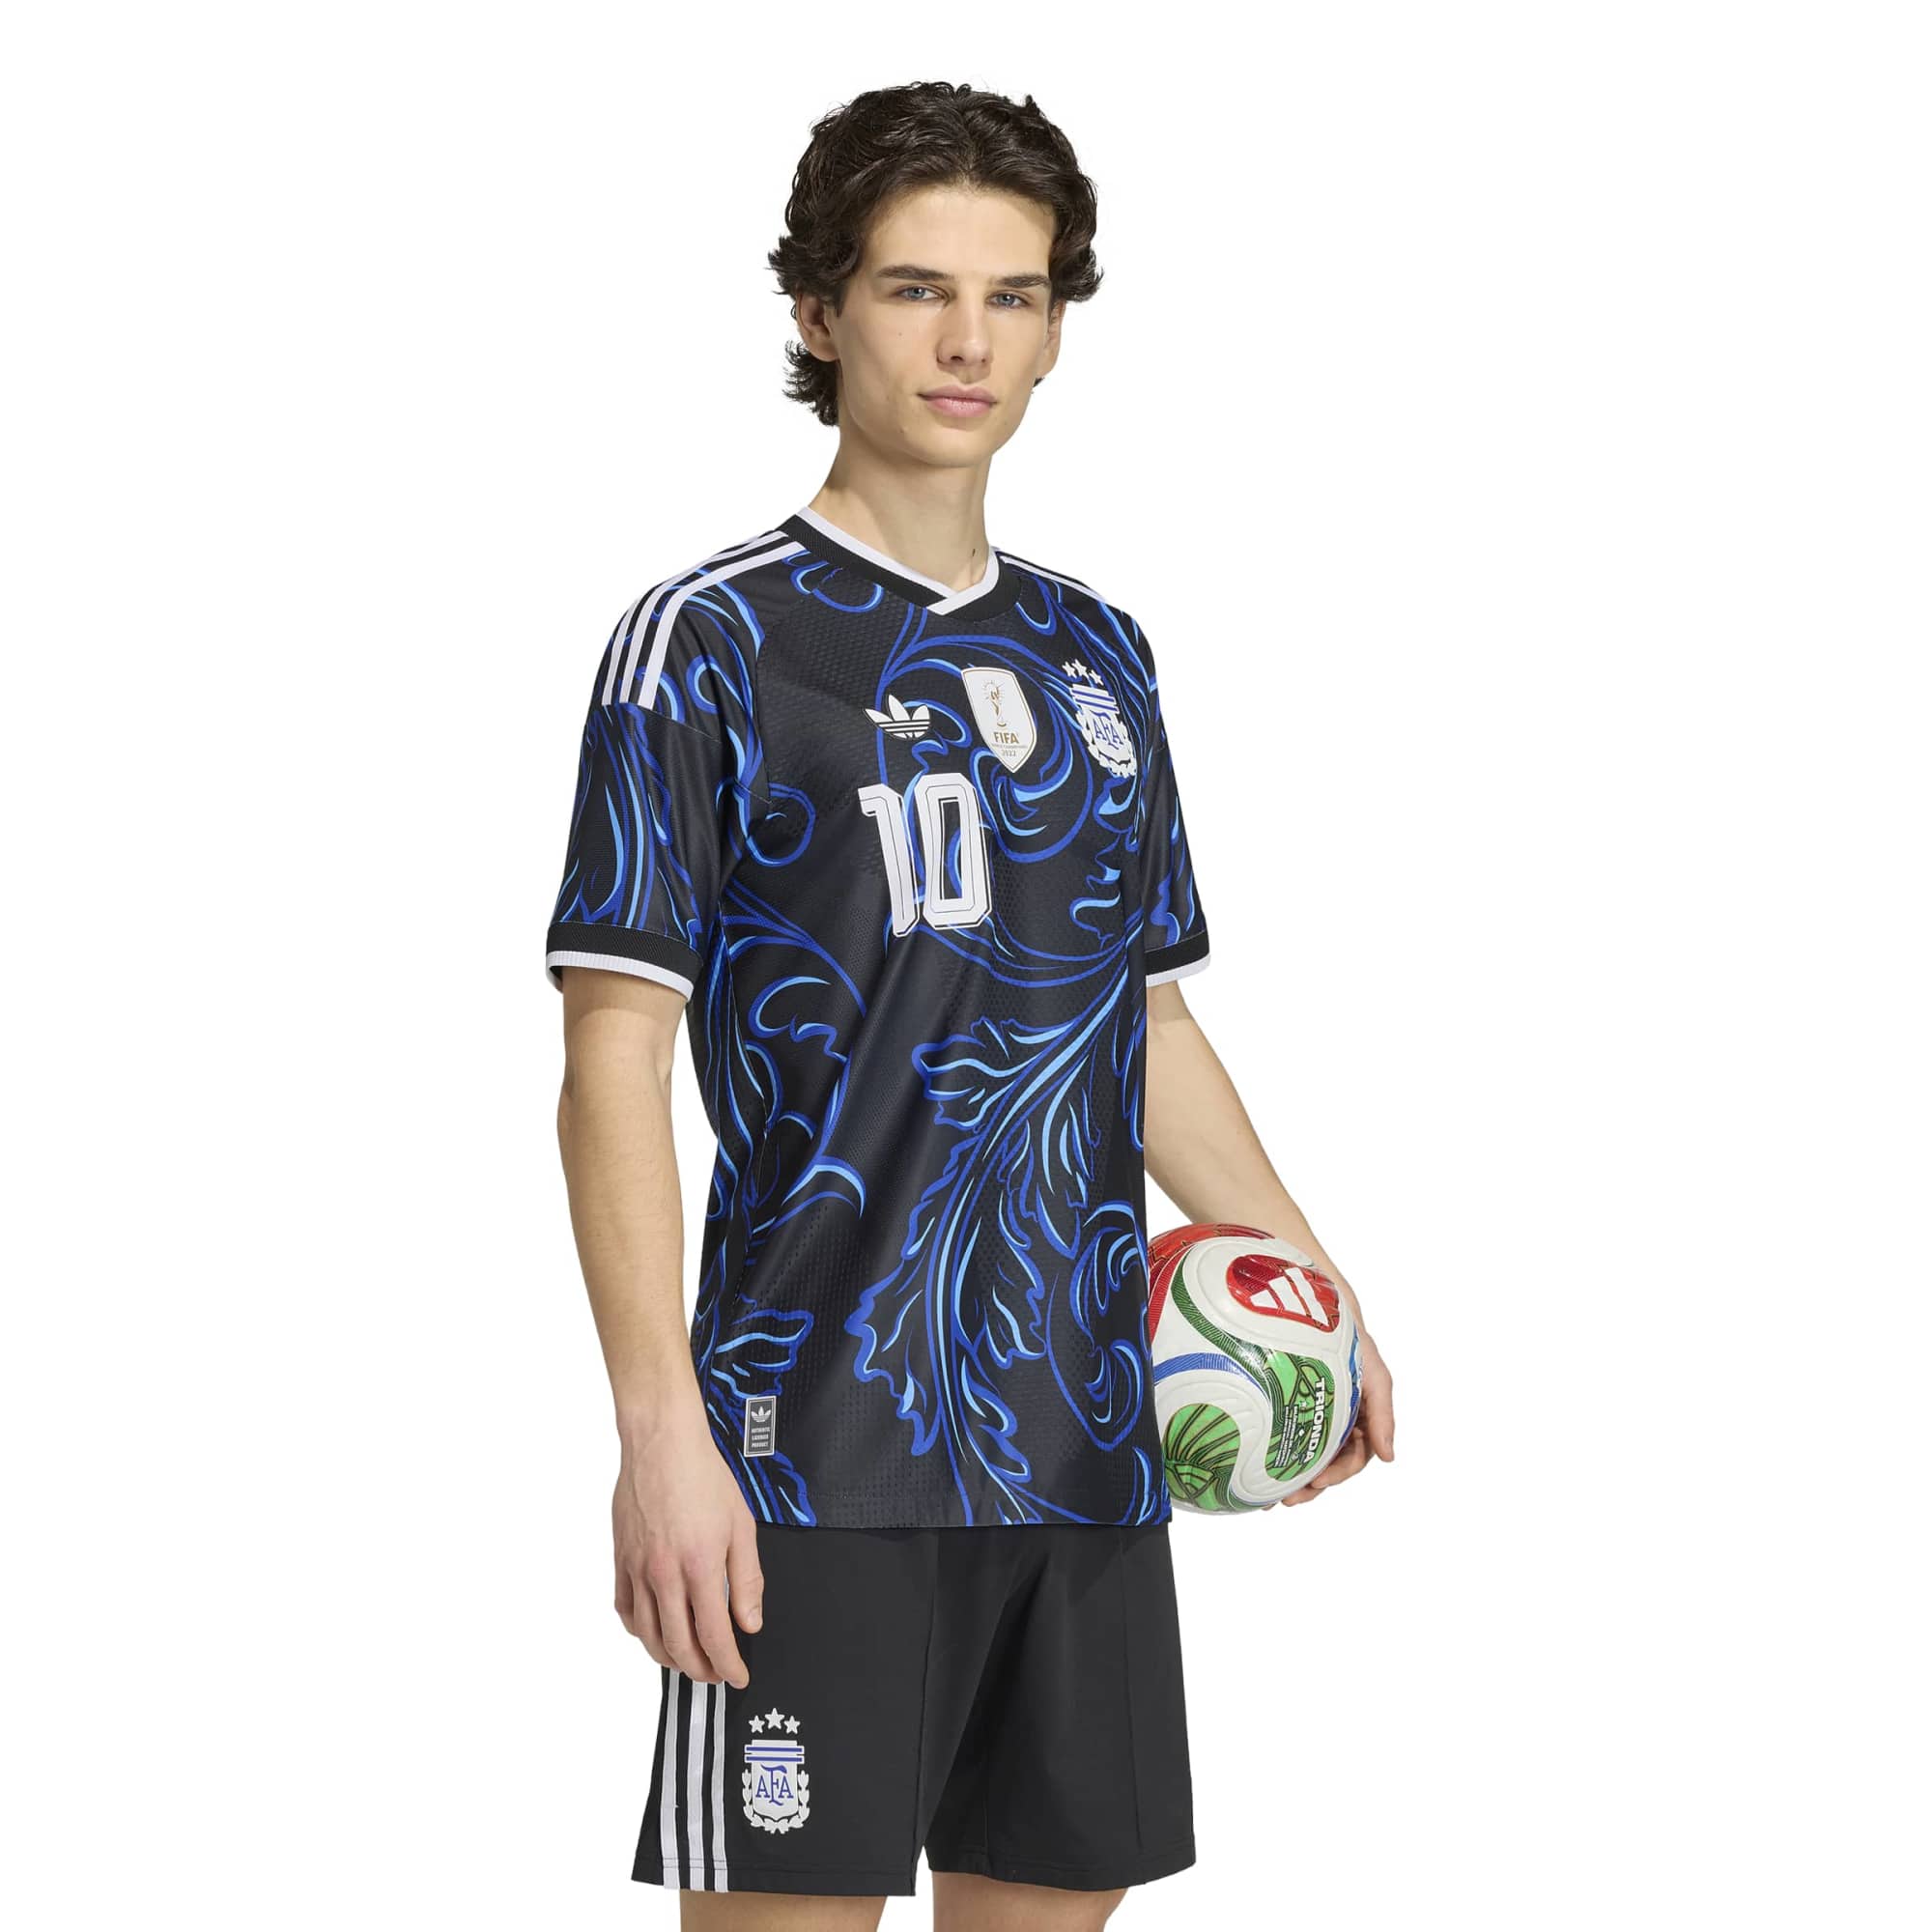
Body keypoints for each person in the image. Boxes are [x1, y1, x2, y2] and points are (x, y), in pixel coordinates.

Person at [546, 80, 1396, 1931]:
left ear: (1057, 328)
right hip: (810, 1454)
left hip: (1090, 1446)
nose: (967, 342)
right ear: (818, 310)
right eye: (917, 289)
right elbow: (612, 1056)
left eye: (1013, 297)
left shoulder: (1101, 650)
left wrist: (1309, 1282)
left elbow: (1141, 1020)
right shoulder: (710, 642)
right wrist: (658, 1432)